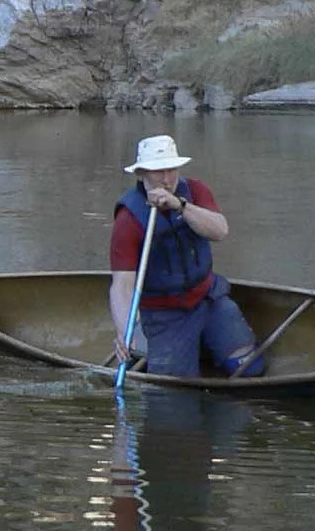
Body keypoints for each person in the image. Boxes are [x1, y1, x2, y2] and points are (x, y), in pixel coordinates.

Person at [108, 134, 262, 378]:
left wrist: (180, 206)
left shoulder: (196, 191)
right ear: (141, 174)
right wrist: (124, 331)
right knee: (174, 392)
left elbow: (220, 231)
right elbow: (122, 285)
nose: (167, 179)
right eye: (158, 171)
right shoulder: (128, 219)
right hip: (164, 316)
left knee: (250, 368)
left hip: (209, 299)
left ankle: (213, 348)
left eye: (171, 169)